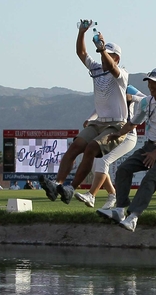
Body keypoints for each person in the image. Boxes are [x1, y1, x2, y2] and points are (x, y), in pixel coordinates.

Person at [40, 20, 129, 204]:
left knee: (91, 149)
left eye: (110, 56)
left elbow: (112, 68)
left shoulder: (121, 73)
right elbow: (81, 53)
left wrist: (102, 49)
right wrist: (82, 32)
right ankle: (57, 184)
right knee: (75, 146)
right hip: (98, 122)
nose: (105, 59)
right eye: (106, 55)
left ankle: (71, 188)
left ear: (117, 59)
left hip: (116, 124)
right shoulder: (96, 68)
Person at [97, 68, 156, 232]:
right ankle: (119, 209)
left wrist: (155, 153)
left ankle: (133, 217)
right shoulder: (146, 102)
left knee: (149, 179)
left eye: (155, 82)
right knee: (124, 170)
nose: (151, 86)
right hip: (149, 147)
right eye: (149, 82)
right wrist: (118, 134)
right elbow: (133, 123)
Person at [74, 85, 146, 210]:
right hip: (111, 132)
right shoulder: (107, 91)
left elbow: (146, 99)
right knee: (96, 163)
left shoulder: (127, 87)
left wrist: (132, 97)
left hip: (127, 135)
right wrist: (89, 119)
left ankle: (92, 195)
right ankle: (112, 195)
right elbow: (99, 109)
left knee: (103, 161)